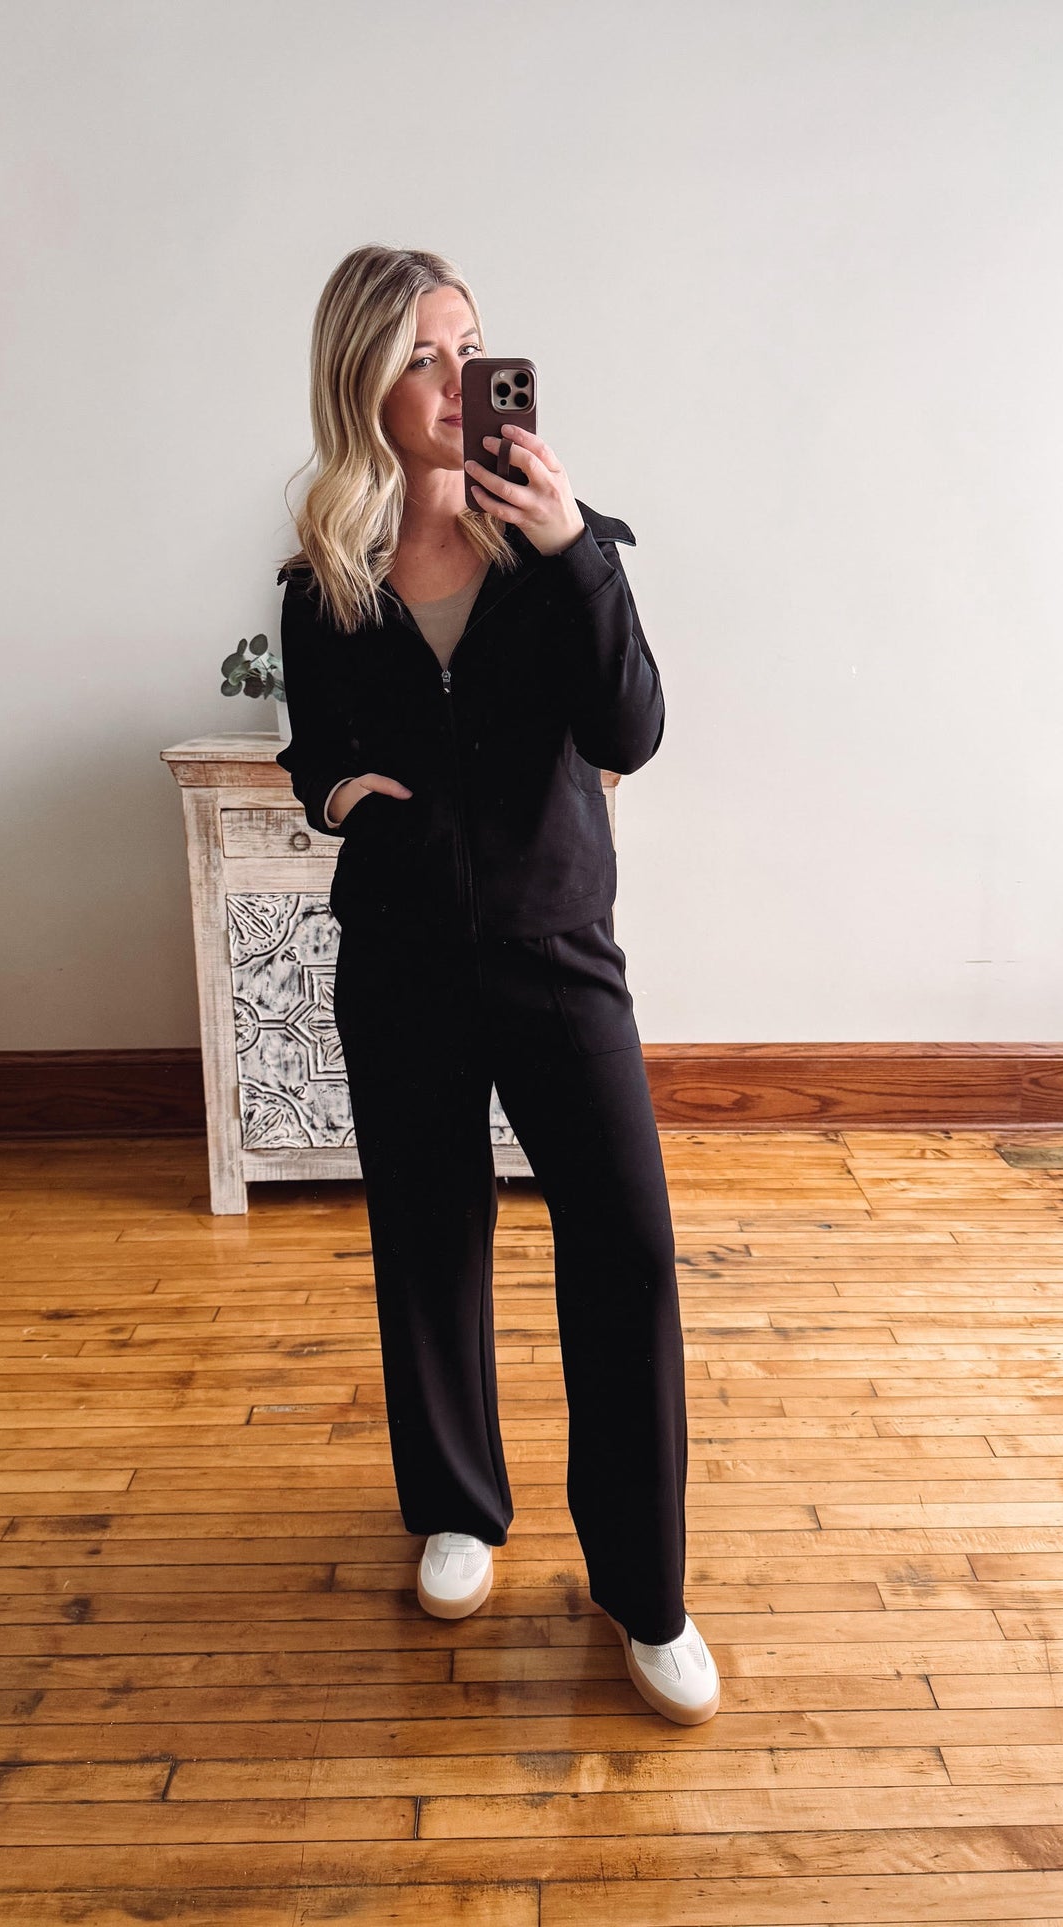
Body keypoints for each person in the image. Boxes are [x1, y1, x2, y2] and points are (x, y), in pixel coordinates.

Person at [273, 244, 719, 1725]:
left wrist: (574, 542)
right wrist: (344, 799)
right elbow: (313, 752)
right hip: (399, 954)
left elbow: (631, 730)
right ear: (363, 383)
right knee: (426, 1236)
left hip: (555, 950)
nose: (457, 378)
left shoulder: (561, 548)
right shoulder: (325, 579)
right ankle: (458, 1506)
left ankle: (645, 1588)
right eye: (421, 355)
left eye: (469, 346)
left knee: (627, 1252)